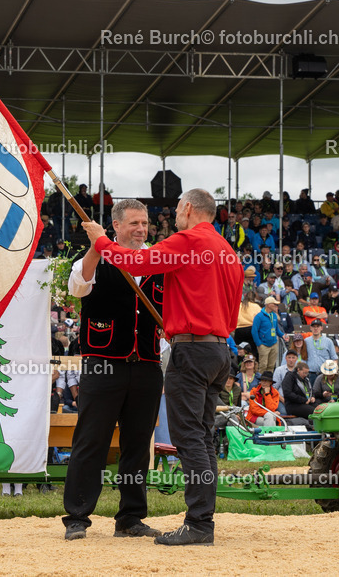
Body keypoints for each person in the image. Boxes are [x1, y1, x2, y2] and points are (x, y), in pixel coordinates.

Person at [83, 188, 243, 546]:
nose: (174, 216)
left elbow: (136, 263)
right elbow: (233, 309)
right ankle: (203, 519)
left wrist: (101, 241)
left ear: (188, 208)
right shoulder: (227, 251)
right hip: (219, 349)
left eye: (177, 209)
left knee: (190, 438)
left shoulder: (188, 240)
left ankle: (199, 523)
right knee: (202, 436)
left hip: (193, 349)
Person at [62, 199, 164, 541]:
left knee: (137, 444)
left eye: (144, 223)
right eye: (134, 223)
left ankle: (130, 518)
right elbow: (77, 287)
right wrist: (96, 246)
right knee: (91, 441)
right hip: (103, 363)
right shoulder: (97, 256)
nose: (141, 229)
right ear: (116, 226)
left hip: (147, 364)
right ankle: (77, 516)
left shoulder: (157, 259)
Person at [252, 296, 288, 374]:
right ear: (268, 305)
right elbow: (254, 331)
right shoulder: (259, 316)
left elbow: (276, 329)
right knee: (263, 365)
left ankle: (269, 380)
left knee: (271, 366)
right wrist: (259, 344)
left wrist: (282, 335)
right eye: (274, 304)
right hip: (263, 345)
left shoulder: (274, 315)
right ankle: (261, 380)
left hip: (273, 344)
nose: (276, 305)